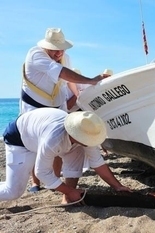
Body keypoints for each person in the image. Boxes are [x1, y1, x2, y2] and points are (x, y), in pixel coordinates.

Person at [21, 27, 109, 192]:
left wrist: (80, 98)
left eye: (60, 49)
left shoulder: (65, 57)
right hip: (35, 107)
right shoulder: (35, 54)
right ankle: (35, 183)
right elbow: (61, 73)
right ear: (46, 46)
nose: (58, 53)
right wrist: (91, 80)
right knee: (36, 147)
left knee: (60, 143)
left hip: (57, 107)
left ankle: (53, 181)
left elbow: (69, 82)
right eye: (53, 49)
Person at [1, 108, 131, 203]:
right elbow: (42, 173)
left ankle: (67, 199)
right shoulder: (53, 140)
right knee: (13, 191)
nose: (90, 143)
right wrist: (69, 190)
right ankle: (70, 194)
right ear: (76, 135)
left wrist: (117, 186)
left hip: (39, 133)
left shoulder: (86, 131)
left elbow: (97, 163)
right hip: (19, 139)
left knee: (78, 151)